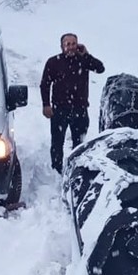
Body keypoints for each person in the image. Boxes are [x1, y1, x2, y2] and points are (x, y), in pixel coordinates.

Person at [40, 32, 105, 173]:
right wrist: (46, 104)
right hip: (59, 109)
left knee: (80, 143)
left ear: (78, 45)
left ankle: (77, 170)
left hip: (80, 109)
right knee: (57, 142)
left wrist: (86, 55)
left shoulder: (83, 60)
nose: (71, 47)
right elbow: (45, 84)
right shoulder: (53, 62)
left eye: (73, 44)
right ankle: (56, 170)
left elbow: (100, 68)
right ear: (62, 46)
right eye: (67, 44)